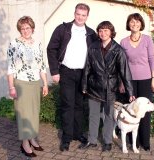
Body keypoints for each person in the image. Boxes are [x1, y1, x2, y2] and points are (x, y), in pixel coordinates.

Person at [47, 3, 97, 151]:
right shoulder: (63, 29)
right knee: (68, 105)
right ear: (74, 14)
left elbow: (96, 54)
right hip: (66, 72)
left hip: (83, 74)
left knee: (79, 105)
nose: (80, 17)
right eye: (78, 14)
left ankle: (78, 133)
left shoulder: (91, 33)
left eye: (83, 15)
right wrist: (54, 71)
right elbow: (51, 49)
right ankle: (67, 137)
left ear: (87, 16)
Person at [79, 21, 135, 152]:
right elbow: (87, 67)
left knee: (109, 115)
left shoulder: (118, 50)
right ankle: (92, 140)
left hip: (110, 88)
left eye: (106, 30)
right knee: (93, 115)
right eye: (100, 30)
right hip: (94, 87)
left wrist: (130, 91)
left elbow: (125, 71)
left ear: (111, 32)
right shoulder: (93, 47)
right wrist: (84, 85)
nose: (103, 33)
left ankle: (108, 141)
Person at [7, 16, 48, 157]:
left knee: (34, 112)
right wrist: (11, 87)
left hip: (35, 82)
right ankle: (24, 144)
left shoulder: (37, 44)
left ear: (32, 29)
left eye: (28, 28)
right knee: (24, 114)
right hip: (21, 83)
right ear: (20, 29)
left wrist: (45, 84)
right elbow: (10, 67)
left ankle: (32, 138)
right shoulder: (14, 44)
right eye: (23, 28)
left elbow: (42, 65)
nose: (25, 30)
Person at [120, 13, 154, 151]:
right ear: (128, 24)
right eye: (132, 22)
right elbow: (122, 64)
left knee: (144, 111)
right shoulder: (123, 42)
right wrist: (122, 82)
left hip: (146, 79)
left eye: (137, 22)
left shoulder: (147, 39)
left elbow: (152, 60)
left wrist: (153, 79)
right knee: (131, 110)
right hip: (129, 80)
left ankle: (145, 141)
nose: (134, 24)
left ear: (141, 24)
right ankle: (132, 142)